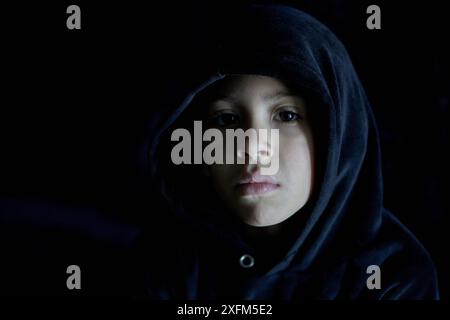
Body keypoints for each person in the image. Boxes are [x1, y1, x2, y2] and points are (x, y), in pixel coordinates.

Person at [140, 4, 439, 299]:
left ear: (336, 138)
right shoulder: (164, 261)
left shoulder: (394, 276)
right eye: (227, 120)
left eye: (287, 115)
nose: (253, 150)